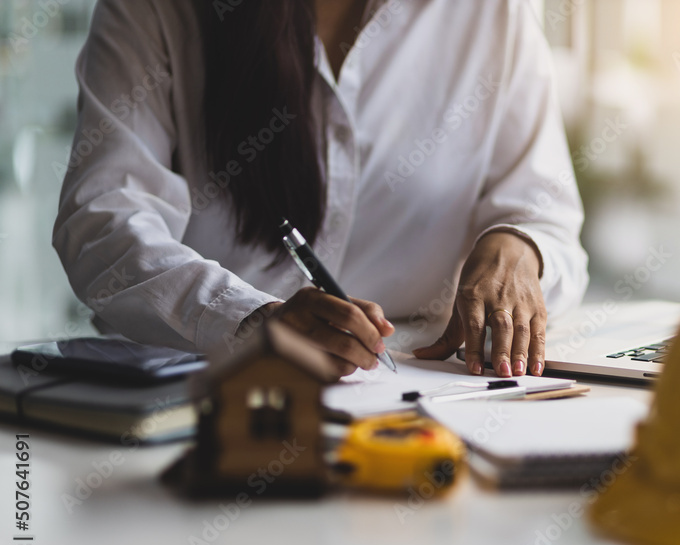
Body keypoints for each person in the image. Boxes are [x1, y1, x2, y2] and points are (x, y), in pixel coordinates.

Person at [53, 0, 588, 380]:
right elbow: (105, 224)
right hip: (201, 397)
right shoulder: (157, 10)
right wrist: (249, 321)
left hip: (427, 389)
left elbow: (548, 218)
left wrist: (519, 248)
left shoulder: (494, 13)